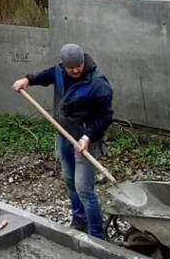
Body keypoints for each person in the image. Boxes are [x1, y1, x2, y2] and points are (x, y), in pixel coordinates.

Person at [13, 43, 113, 238]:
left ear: (83, 62)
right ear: (64, 65)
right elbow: (46, 75)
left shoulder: (97, 83)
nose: (75, 70)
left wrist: (87, 137)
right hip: (64, 136)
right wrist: (27, 80)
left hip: (85, 141)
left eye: (79, 66)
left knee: (85, 189)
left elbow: (105, 117)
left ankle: (97, 235)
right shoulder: (59, 72)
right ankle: (79, 220)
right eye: (71, 67)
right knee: (69, 181)